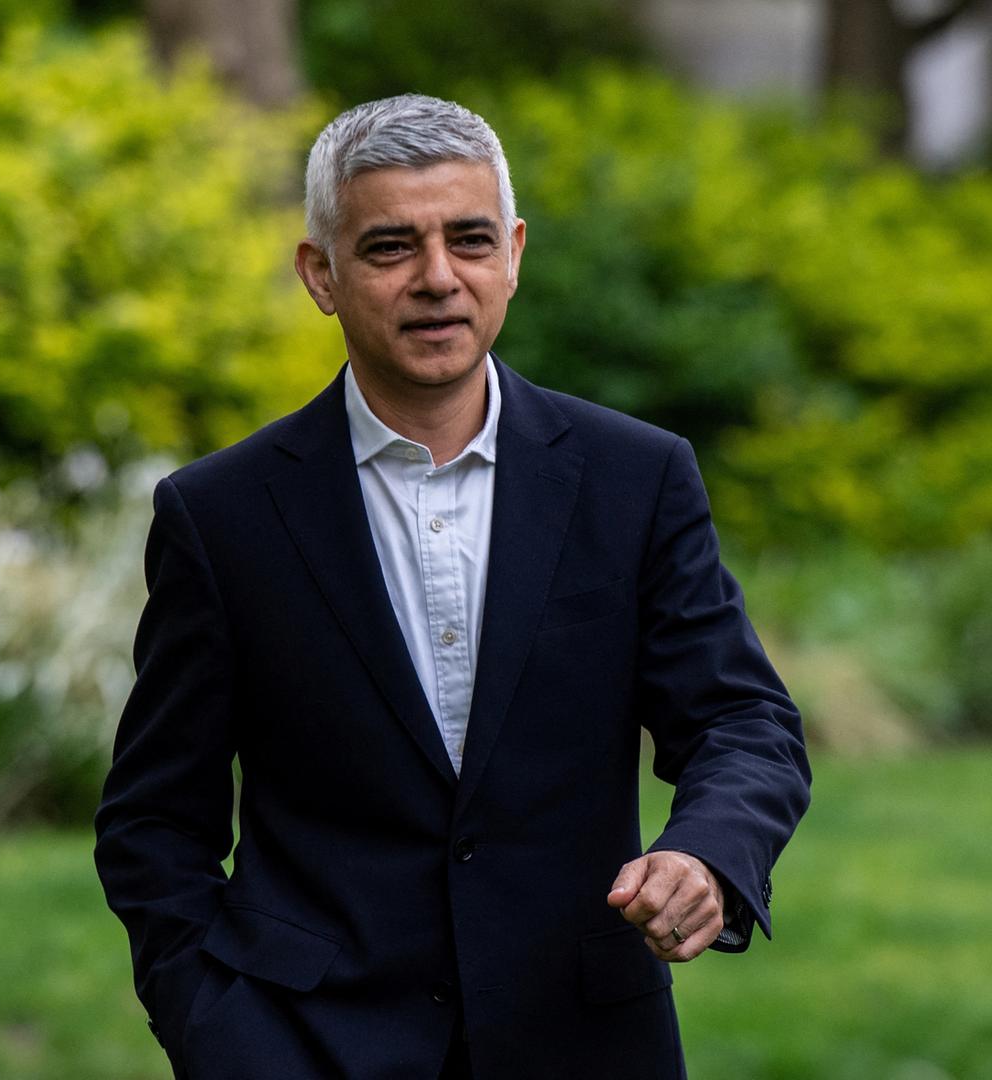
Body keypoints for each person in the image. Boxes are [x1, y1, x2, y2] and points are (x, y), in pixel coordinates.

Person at [92, 93, 811, 1079]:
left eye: (469, 239)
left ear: (513, 253)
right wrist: (218, 1031)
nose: (438, 278)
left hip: (586, 1042)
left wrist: (707, 856)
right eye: (390, 247)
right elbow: (155, 822)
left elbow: (740, 719)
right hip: (307, 1047)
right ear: (321, 274)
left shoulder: (634, 478)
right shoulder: (222, 516)